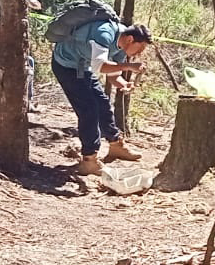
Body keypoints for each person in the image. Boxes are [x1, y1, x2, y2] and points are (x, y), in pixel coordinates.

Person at [51, 13, 151, 174]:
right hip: (66, 65)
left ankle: (116, 145)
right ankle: (89, 159)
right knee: (89, 110)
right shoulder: (104, 33)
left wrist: (123, 83)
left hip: (83, 66)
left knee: (103, 103)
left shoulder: (122, 44)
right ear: (131, 39)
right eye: (141, 48)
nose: (139, 53)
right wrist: (128, 67)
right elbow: (101, 66)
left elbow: (112, 75)